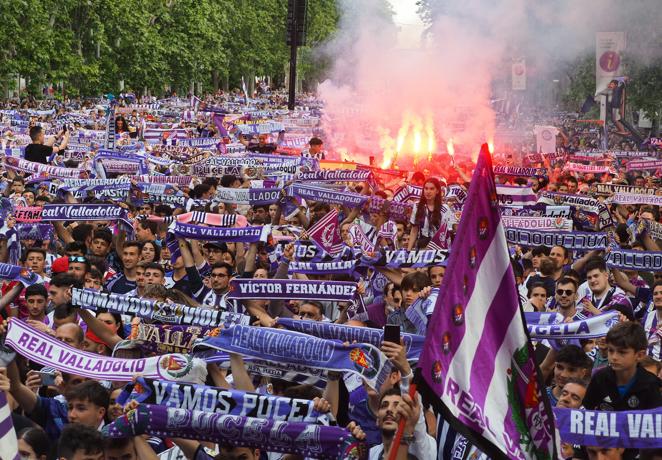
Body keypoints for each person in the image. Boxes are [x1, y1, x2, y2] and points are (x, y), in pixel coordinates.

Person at [583, 322, 662, 411]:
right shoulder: (600, 378)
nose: (614, 357)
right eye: (611, 350)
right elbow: (585, 411)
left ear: (640, 355)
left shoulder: (651, 384)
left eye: (622, 352)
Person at [369, 388, 437, 459]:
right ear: (377, 420)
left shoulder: (421, 449)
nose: (389, 409)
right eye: (384, 405)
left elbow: (418, 423)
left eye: (396, 406)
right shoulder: (370, 454)